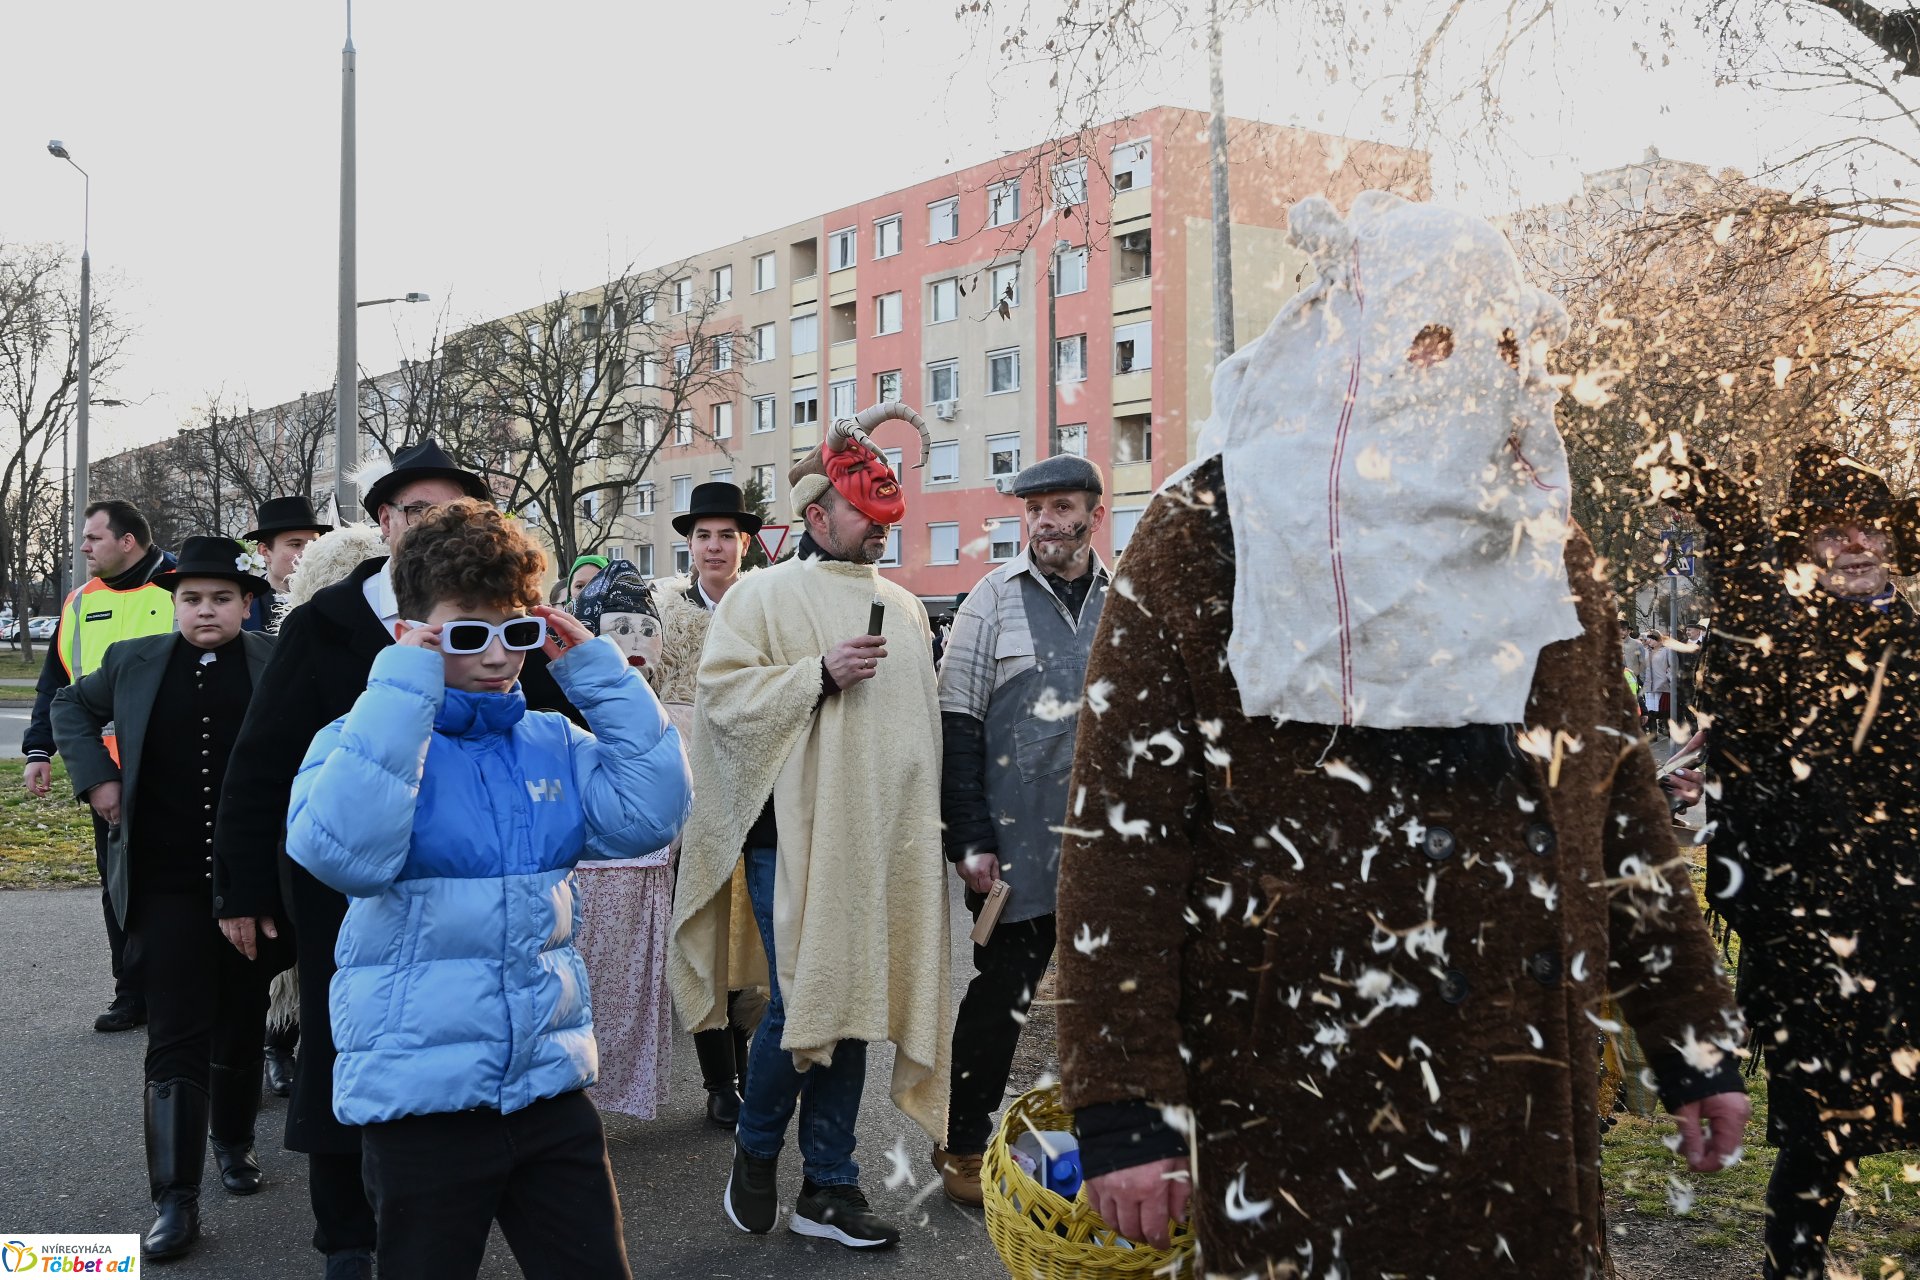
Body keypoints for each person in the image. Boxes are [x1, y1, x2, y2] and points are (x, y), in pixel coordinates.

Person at [1055, 192, 1749, 1276]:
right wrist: (1128, 1103)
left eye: (1503, 344)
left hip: (1523, 1098)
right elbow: (1122, 841)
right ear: (1354, 341)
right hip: (1297, 1091)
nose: (1476, 372)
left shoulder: (1549, 547)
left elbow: (1621, 803)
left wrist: (1693, 1033)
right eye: (1434, 338)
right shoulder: (1211, 538)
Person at [286, 500, 690, 1278]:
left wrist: (596, 671)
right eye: (468, 635)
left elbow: (650, 814)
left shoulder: (551, 740)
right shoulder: (356, 741)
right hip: (422, 1106)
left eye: (518, 630)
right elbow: (348, 857)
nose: (500, 656)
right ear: (411, 635)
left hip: (547, 1088)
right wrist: (405, 682)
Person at [210, 439, 579, 1280]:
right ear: (383, 522)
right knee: (346, 1050)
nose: (427, 525)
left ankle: (454, 1213)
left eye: (448, 512)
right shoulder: (326, 622)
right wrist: (239, 886)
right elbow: (259, 760)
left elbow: (553, 723)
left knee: (456, 1049)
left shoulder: (501, 621)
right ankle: (345, 1234)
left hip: (464, 881)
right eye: (413, 510)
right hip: (345, 881)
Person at [670, 408, 948, 1251]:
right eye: (868, 516)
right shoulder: (759, 596)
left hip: (872, 841)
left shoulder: (902, 607)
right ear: (819, 515)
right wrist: (815, 676)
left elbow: (914, 739)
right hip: (781, 839)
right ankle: (757, 1154)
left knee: (854, 1001)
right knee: (805, 1000)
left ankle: (830, 1187)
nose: (881, 533)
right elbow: (721, 702)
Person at [1658, 442, 1920, 1280]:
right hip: (1812, 925)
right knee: (1819, 1129)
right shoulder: (1782, 637)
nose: (1854, 543)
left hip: (1912, 917)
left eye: (1867, 528)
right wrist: (1729, 515)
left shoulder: (1915, 642)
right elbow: (1744, 604)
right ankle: (1791, 1268)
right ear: (1804, 549)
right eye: (1832, 531)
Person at [51, 537, 280, 1260]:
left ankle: (235, 1144)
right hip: (167, 880)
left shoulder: (275, 663)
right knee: (177, 1027)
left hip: (254, 883)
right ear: (173, 603)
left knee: (243, 1017)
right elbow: (68, 707)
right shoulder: (133, 660)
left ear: (247, 603)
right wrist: (97, 780)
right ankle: (175, 1199)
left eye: (220, 599)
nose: (204, 611)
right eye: (191, 599)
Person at [930, 454, 1110, 1204]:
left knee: (1113, 1001)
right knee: (1001, 997)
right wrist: (969, 838)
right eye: (1033, 509)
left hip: (1114, 849)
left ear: (1094, 515)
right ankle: (966, 1147)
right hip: (1014, 850)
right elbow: (957, 724)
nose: (1045, 521)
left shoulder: (1129, 598)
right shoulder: (988, 599)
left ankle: (1112, 1150)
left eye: (1061, 506)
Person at [24, 498, 177, 1034]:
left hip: (177, 764)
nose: (83, 548)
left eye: (92, 538)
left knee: (180, 881)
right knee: (119, 886)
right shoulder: (78, 602)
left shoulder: (184, 585)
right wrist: (39, 749)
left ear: (127, 541)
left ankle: (180, 989)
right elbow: (56, 684)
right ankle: (131, 992)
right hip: (108, 775)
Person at [671, 479, 769, 1125]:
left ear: (744, 543)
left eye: (725, 536)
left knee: (756, 948)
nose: (714, 547)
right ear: (690, 546)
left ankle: (745, 1062)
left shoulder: (769, 612)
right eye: (703, 536)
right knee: (705, 942)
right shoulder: (668, 623)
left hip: (762, 803)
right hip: (693, 808)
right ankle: (719, 1085)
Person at [568, 561, 680, 1121]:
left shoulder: (666, 708)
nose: (634, 642)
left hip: (648, 874)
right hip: (585, 875)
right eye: (619, 629)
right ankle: (569, 1100)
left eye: (645, 628)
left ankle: (599, 1101)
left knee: (629, 996)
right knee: (575, 995)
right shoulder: (567, 708)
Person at [242, 495, 331, 634]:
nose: (308, 552)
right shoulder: (242, 607)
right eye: (296, 544)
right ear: (265, 551)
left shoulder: (333, 602)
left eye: (314, 543)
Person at [1642, 629, 1675, 734]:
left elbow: (1672, 667)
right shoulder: (1646, 650)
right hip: (1648, 685)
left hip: (1662, 684)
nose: (1649, 641)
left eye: (1651, 639)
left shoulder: (1666, 650)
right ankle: (1653, 734)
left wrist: (1668, 678)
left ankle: (1668, 731)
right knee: (1650, 711)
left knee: (1664, 711)